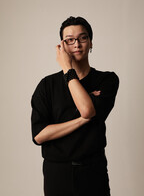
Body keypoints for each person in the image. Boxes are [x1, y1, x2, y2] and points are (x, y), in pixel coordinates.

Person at [31, 16, 119, 196]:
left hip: (93, 173)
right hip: (57, 174)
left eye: (83, 38)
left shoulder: (107, 80)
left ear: (91, 43)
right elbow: (39, 135)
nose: (77, 44)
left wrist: (68, 71)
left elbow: (87, 110)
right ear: (62, 46)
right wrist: (82, 119)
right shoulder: (47, 85)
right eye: (70, 40)